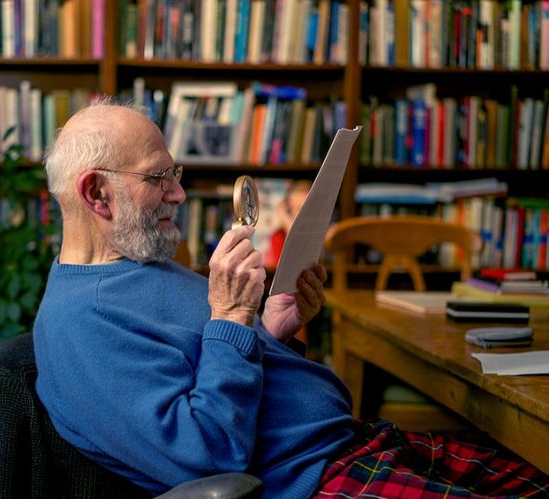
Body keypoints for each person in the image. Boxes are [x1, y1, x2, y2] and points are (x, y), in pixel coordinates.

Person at [33, 101, 549, 498]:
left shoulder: (141, 266)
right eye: (157, 177)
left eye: (176, 175)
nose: (179, 194)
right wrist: (234, 317)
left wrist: (270, 332)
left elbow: (209, 366)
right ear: (97, 194)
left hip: (354, 443)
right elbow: (206, 460)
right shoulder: (81, 324)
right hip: (316, 480)